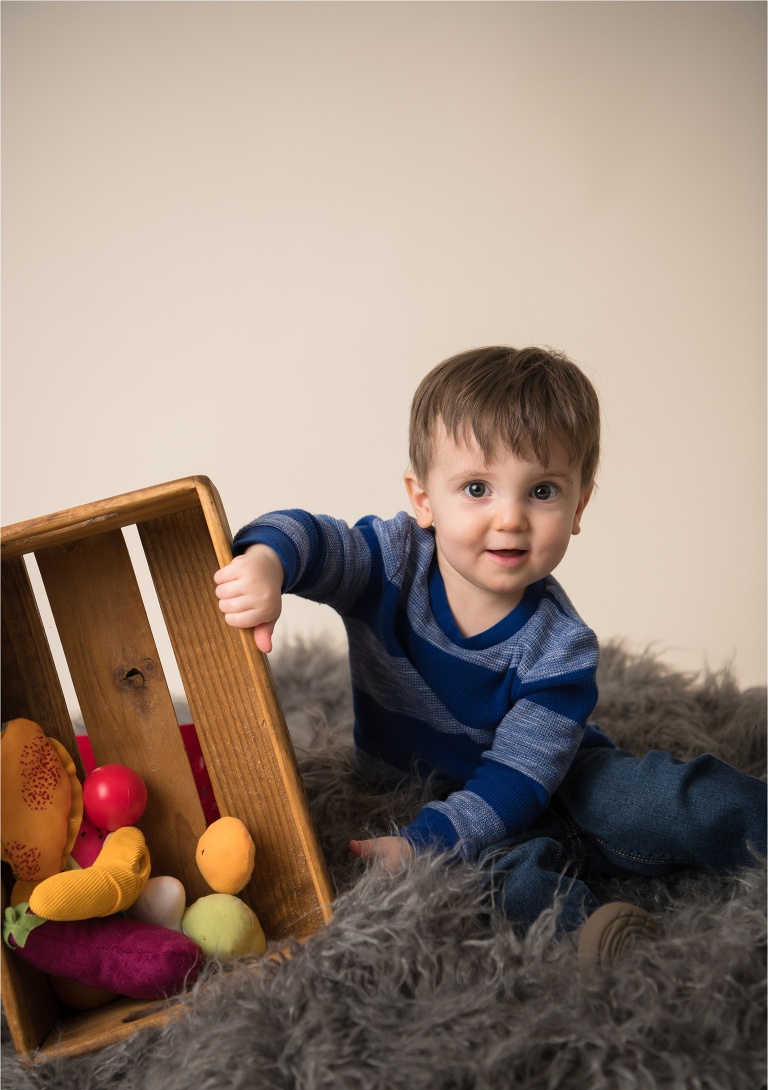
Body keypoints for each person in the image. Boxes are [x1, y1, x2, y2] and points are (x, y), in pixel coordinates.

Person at [214, 346, 766, 966]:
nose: (510, 518)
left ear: (579, 507)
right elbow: (315, 539)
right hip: (432, 797)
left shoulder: (560, 647)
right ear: (424, 498)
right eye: (477, 488)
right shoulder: (391, 561)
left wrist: (429, 840)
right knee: (513, 882)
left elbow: (518, 778)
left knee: (667, 797)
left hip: (555, 777)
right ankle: (605, 943)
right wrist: (266, 563)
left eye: (542, 491)